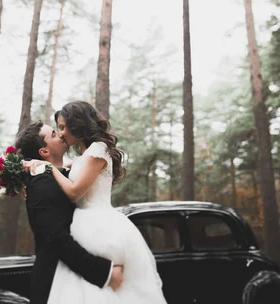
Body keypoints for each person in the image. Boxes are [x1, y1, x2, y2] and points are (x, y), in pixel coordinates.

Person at [23, 101, 167, 304]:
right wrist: (24, 171)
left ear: (78, 124)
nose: (61, 133)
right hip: (81, 225)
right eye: (57, 131)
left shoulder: (98, 150)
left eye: (63, 127)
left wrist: (48, 167)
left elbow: (73, 191)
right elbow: (64, 170)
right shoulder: (82, 157)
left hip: (96, 222)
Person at [14, 121, 124, 304]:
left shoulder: (65, 175)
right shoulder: (42, 183)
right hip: (55, 283)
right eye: (54, 134)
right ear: (44, 152)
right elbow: (57, 240)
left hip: (75, 279)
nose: (61, 134)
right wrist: (104, 272)